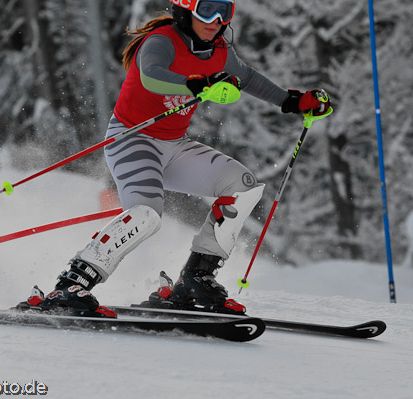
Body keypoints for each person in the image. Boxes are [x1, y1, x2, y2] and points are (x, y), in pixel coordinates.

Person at [25, 0, 332, 316]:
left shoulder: (219, 51)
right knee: (146, 215)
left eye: (224, 12)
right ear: (185, 11)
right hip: (132, 139)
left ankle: (196, 279)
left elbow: (248, 78)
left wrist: (292, 102)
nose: (215, 21)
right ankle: (71, 284)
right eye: (206, 11)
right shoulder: (161, 41)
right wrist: (196, 84)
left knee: (242, 186)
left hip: (174, 146)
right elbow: (151, 76)